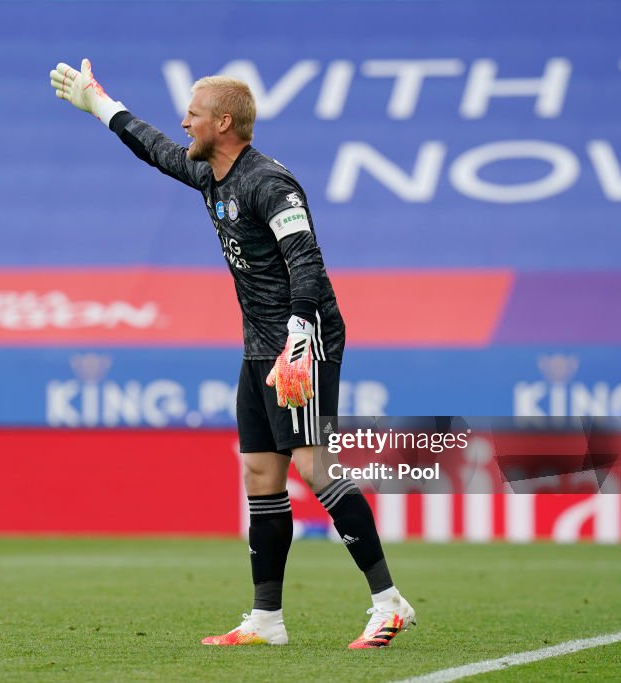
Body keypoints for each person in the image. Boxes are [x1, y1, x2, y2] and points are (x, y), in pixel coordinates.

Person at [49, 59, 416, 649]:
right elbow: (157, 149)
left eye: (193, 114)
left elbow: (307, 262)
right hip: (260, 345)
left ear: (223, 122)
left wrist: (299, 337)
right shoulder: (211, 175)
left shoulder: (270, 184)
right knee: (259, 473)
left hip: (303, 338)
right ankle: (267, 620)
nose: (184, 122)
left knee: (311, 465)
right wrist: (99, 104)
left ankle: (389, 603)